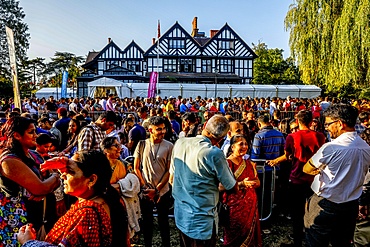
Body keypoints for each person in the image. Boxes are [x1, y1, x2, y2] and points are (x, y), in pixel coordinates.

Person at [17, 151, 128, 247]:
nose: (62, 175)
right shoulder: (104, 200)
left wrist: (29, 242)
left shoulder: (87, 214)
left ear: (91, 180)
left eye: (70, 171)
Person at [303, 104, 370, 247]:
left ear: (339, 124)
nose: (326, 127)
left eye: (328, 123)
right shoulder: (366, 147)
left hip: (325, 203)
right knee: (342, 242)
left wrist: (319, 169)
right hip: (350, 205)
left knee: (315, 240)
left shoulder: (331, 147)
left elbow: (307, 168)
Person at [170, 115, 237, 247]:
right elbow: (232, 186)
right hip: (201, 220)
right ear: (221, 139)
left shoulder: (180, 143)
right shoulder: (214, 153)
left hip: (182, 214)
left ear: (205, 125)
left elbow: (172, 177)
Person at [267, 110, 326, 247]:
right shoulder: (320, 136)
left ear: (297, 121)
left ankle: (298, 240)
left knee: (297, 212)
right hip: (315, 178)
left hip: (297, 178)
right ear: (311, 121)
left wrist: (278, 160)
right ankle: (311, 238)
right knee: (313, 211)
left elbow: (287, 155)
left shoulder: (292, 137)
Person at [0, 117, 61, 247]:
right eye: (31, 132)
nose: (36, 136)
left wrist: (53, 179)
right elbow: (41, 188)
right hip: (19, 225)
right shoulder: (9, 161)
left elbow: (50, 182)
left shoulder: (34, 155)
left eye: (35, 131)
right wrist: (53, 179)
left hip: (40, 220)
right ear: (17, 135)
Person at [134, 116, 173, 247]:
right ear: (150, 129)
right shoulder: (142, 144)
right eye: (158, 129)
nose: (162, 132)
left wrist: (157, 190)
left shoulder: (169, 146)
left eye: (163, 129)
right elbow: (136, 167)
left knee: (163, 222)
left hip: (163, 191)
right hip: (145, 191)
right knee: (147, 222)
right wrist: (145, 187)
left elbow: (169, 170)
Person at [222, 134, 262, 247]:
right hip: (234, 208)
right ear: (232, 147)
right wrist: (241, 184)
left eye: (246, 144)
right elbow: (220, 186)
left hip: (250, 207)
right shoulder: (227, 163)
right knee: (233, 238)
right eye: (241, 144)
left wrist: (253, 183)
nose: (244, 146)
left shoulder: (249, 163)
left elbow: (258, 182)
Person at [101, 136, 141, 239]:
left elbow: (134, 181)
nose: (120, 148)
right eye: (116, 146)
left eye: (120, 145)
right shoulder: (98, 167)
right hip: (104, 206)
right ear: (105, 149)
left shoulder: (125, 165)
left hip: (121, 206)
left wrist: (119, 186)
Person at [353, 128, 370, 247]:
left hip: (366, 202)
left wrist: (361, 203)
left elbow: (366, 184)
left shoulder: (366, 155)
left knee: (362, 234)